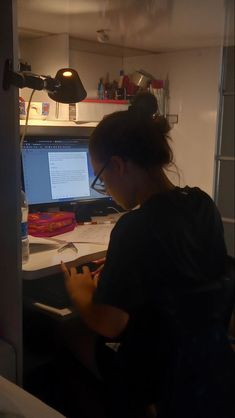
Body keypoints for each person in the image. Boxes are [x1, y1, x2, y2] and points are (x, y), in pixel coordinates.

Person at [61, 93, 235, 418]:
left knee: (67, 331)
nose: (106, 189)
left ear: (118, 165)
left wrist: (80, 292)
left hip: (157, 374)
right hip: (208, 361)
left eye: (101, 180)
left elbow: (110, 324)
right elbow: (184, 271)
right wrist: (122, 270)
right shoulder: (203, 204)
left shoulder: (133, 227)